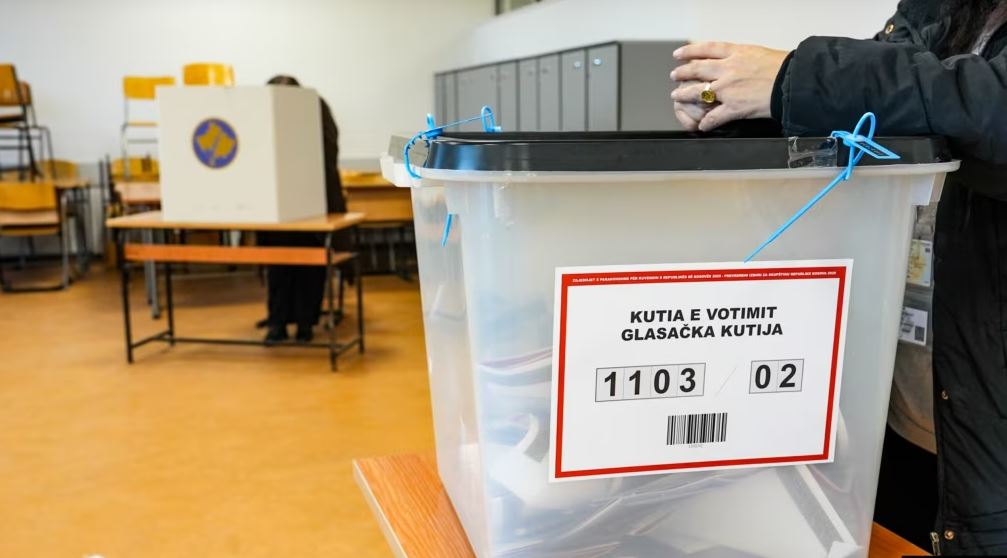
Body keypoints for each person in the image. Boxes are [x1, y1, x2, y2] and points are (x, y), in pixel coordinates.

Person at [670, 1, 1007, 554]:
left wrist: (791, 79)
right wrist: (742, 103)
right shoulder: (941, 10)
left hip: (988, 452)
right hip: (899, 420)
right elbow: (879, 106)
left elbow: (987, 108)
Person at [259, 75, 350, 344]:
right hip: (277, 207)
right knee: (279, 267)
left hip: (312, 204)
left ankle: (304, 323)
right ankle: (278, 321)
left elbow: (327, 153)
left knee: (309, 266)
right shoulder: (267, 111)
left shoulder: (315, 107)